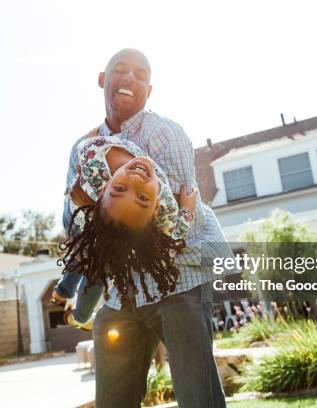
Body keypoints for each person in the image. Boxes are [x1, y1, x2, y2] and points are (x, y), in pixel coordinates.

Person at [60, 48, 234, 408]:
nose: (129, 79)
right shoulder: (85, 149)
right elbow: (75, 221)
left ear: (149, 90)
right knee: (113, 401)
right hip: (121, 291)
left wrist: (96, 206)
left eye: (140, 75)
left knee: (198, 399)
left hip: (178, 281)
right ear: (102, 80)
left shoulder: (164, 135)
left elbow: (169, 229)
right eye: (120, 71)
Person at [53, 134, 197, 329]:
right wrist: (187, 209)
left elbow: (75, 192)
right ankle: (75, 307)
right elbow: (176, 235)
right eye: (142, 197)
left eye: (120, 189)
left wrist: (92, 202)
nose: (136, 181)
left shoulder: (93, 157)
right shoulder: (166, 207)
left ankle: (71, 305)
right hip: (85, 219)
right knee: (90, 261)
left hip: (90, 215)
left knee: (92, 261)